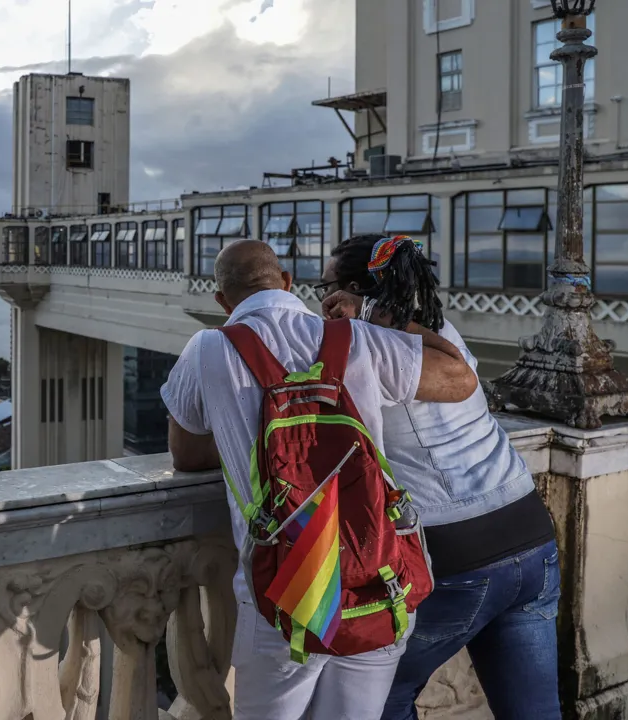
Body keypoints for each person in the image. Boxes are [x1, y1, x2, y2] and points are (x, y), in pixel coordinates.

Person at [161, 240, 478, 719]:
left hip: (285, 590)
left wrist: (237, 427)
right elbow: (460, 377)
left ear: (223, 302)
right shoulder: (353, 337)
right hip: (374, 577)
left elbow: (186, 455)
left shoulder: (209, 347)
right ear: (287, 281)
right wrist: (372, 312)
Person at [318, 234, 561, 720]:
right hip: (531, 535)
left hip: (457, 553)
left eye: (322, 285)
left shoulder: (366, 344)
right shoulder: (437, 327)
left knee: (377, 699)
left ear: (348, 291)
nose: (317, 297)